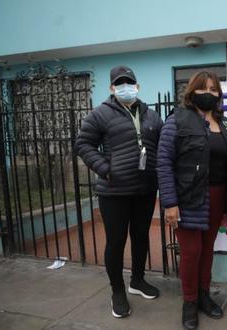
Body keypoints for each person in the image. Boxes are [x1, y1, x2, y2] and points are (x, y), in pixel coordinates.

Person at [75, 65, 163, 318]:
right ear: (112, 88)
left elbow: (162, 145)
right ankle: (117, 291)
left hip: (145, 189)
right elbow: (83, 143)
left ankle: (137, 280)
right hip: (114, 191)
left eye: (130, 82)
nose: (126, 87)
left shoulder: (150, 115)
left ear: (138, 86)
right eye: (120, 83)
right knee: (116, 242)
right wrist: (105, 168)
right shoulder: (100, 114)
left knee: (141, 236)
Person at [156, 70, 227, 330]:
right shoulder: (177, 120)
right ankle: (189, 302)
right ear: (192, 92)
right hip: (188, 197)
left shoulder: (224, 123)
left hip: (217, 197)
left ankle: (203, 295)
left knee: (208, 249)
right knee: (191, 252)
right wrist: (169, 202)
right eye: (203, 88)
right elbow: (164, 162)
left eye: (214, 90)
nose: (209, 93)